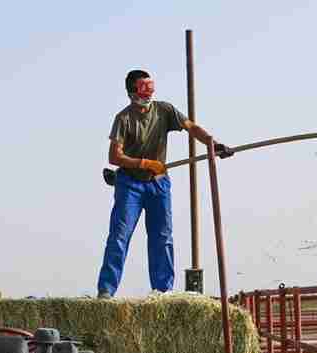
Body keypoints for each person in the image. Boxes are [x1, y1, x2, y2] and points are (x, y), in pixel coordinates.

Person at [97, 70, 233, 298]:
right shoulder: (124, 118)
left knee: (162, 236)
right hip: (130, 184)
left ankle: (162, 290)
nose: (148, 93)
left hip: (158, 184)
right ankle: (106, 291)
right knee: (120, 236)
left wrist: (213, 144)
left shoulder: (164, 110)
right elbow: (114, 157)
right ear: (132, 92)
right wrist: (144, 163)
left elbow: (191, 127)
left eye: (150, 87)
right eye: (143, 88)